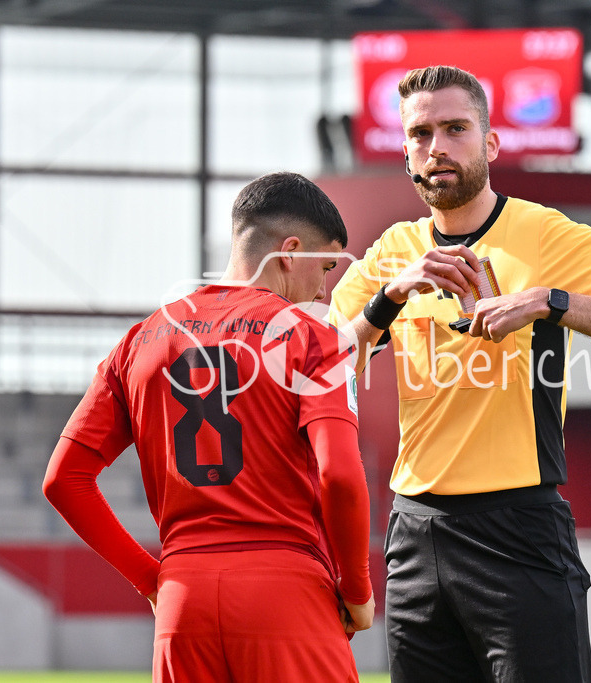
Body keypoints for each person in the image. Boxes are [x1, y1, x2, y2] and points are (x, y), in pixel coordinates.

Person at [329, 65, 591, 682]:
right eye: (420, 135)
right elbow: (325, 361)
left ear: (490, 144)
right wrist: (390, 295)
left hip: (519, 529)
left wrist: (549, 301)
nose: (436, 147)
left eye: (455, 129)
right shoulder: (393, 249)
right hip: (414, 534)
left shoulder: (545, 233)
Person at [43, 171, 375, 682]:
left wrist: (150, 579)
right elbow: (341, 477)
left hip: (183, 600)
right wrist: (356, 590)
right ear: (289, 252)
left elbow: (63, 479)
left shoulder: (143, 338)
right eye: (325, 266)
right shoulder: (313, 338)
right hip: (286, 592)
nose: (325, 287)